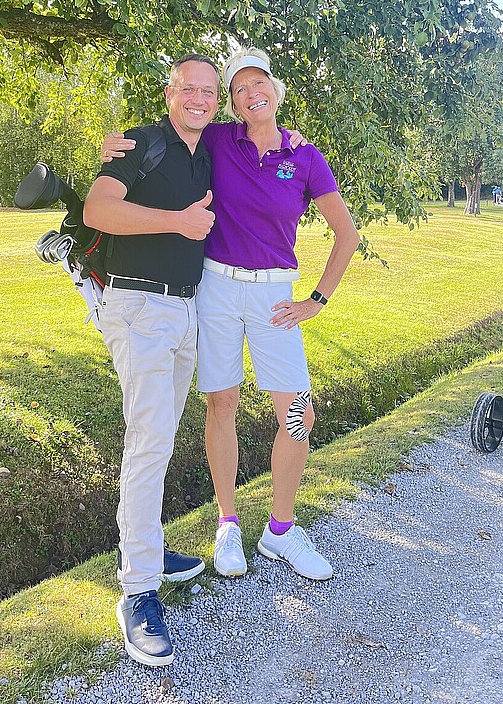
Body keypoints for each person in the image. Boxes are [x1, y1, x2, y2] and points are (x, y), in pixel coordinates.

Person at [104, 46, 360, 583]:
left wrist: (316, 300)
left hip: (275, 298)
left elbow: (347, 234)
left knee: (298, 414)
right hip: (216, 290)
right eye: (239, 88)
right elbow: (173, 130)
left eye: (258, 83)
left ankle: (281, 530)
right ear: (233, 102)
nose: (250, 94)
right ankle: (227, 522)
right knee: (222, 404)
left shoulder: (305, 155)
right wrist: (113, 145)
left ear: (275, 90)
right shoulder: (220, 139)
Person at [83, 53, 219, 668]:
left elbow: (261, 133)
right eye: (189, 88)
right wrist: (177, 223)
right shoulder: (140, 142)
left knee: (159, 439)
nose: (199, 99)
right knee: (148, 442)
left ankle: (147, 545)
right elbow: (98, 211)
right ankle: (137, 590)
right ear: (169, 93)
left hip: (186, 311)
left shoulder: (210, 150)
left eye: (208, 91)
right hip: (139, 308)